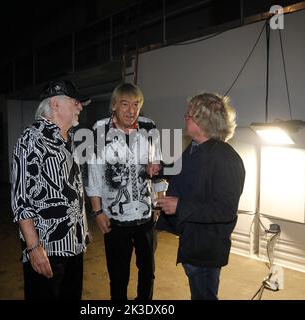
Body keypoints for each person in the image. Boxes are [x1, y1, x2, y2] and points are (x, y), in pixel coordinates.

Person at [157, 92, 245, 300]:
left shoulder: (227, 159)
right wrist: (160, 168)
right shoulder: (196, 148)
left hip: (206, 248)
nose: (185, 118)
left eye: (188, 115)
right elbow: (183, 170)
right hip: (192, 240)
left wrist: (180, 206)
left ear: (202, 120)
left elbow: (225, 210)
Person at [11, 79, 91, 300]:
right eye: (76, 102)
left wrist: (82, 228)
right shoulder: (32, 139)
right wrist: (34, 248)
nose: (80, 107)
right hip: (47, 251)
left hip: (74, 247)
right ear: (55, 104)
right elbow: (21, 201)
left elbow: (72, 188)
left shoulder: (71, 139)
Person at [85, 83, 161, 300]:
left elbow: (157, 169)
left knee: (147, 272)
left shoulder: (149, 127)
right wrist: (98, 212)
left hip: (145, 216)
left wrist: (158, 201)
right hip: (115, 219)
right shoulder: (100, 130)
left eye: (136, 105)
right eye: (125, 104)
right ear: (114, 106)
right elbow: (94, 176)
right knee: (118, 275)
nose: (131, 110)